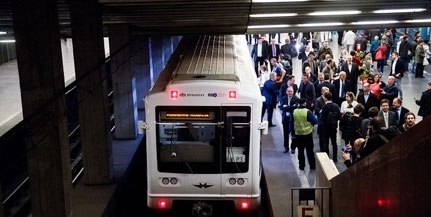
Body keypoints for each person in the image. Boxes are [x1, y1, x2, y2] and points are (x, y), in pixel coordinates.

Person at [291, 98, 318, 171]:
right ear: (305, 103)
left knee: (300, 151)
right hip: (307, 134)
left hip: (298, 134)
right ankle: (312, 165)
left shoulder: (294, 111)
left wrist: (293, 134)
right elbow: (315, 121)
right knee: (309, 151)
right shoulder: (307, 112)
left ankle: (301, 166)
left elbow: (291, 123)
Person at [320, 92, 341, 161]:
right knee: (334, 142)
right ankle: (335, 157)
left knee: (326, 142)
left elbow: (322, 118)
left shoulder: (325, 107)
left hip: (326, 127)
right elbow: (339, 117)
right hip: (334, 126)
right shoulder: (336, 106)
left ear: (326, 98)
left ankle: (327, 156)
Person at [280, 86, 299, 153]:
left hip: (293, 119)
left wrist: (287, 107)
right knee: (285, 134)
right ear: (286, 92)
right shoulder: (283, 98)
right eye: (289, 91)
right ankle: (286, 147)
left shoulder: (296, 99)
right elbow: (281, 107)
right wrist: (290, 107)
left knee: (293, 134)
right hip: (285, 119)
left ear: (293, 92)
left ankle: (293, 147)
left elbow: (295, 107)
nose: (290, 93)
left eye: (291, 91)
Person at [315, 87, 330, 153]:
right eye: (326, 92)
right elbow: (316, 110)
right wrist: (323, 110)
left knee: (327, 137)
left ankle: (326, 149)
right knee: (321, 137)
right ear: (322, 92)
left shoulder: (329, 99)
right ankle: (322, 149)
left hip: (328, 122)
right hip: (321, 121)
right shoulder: (318, 100)